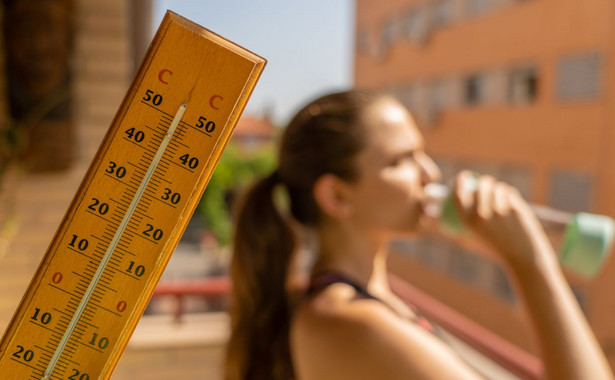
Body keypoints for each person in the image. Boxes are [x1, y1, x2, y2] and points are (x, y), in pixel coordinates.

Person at [224, 90, 613, 380]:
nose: (429, 173)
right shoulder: (346, 322)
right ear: (337, 196)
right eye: (401, 160)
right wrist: (531, 262)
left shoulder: (369, 302)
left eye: (422, 153)